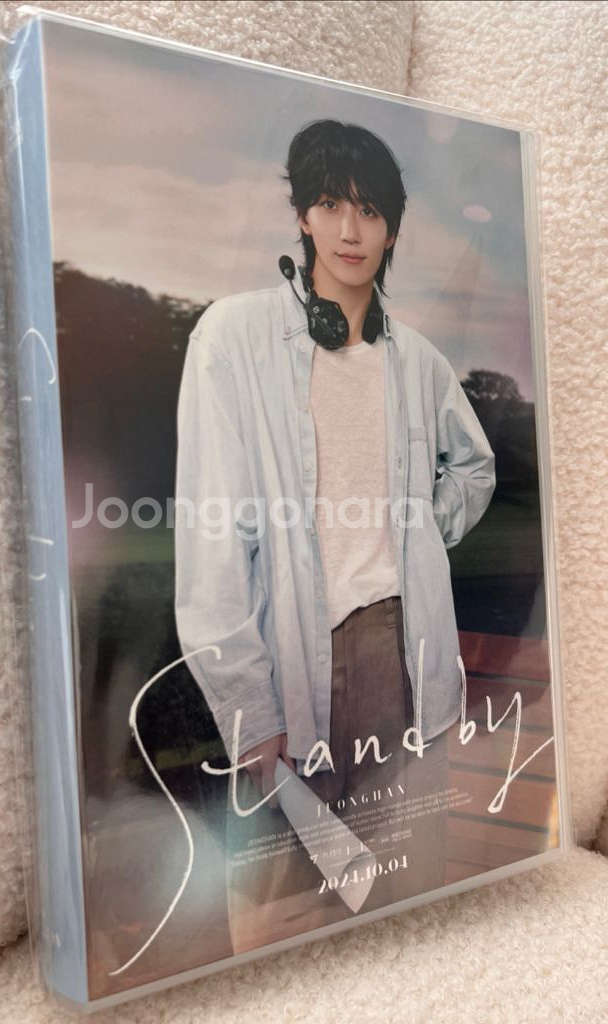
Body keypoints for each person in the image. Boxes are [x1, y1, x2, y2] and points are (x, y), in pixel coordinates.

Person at [174, 119, 495, 953]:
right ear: (302, 216)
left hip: (403, 653)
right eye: (329, 204)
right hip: (287, 656)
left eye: (370, 210)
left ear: (391, 228)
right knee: (274, 920)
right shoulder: (232, 337)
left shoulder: (417, 361)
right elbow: (211, 541)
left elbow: (473, 468)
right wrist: (247, 706)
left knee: (408, 900)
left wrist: (415, 538)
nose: (350, 230)